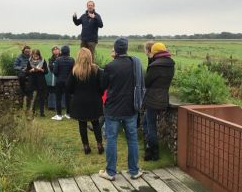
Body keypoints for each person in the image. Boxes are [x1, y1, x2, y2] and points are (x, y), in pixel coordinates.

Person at [99, 37, 144, 181]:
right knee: (132, 139)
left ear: (115, 49)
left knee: (111, 139)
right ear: (126, 48)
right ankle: (134, 171)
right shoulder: (134, 64)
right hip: (130, 108)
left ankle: (110, 173)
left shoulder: (110, 66)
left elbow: (103, 86)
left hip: (113, 109)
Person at [66, 48, 104, 154]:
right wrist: (98, 94)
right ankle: (99, 145)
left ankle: (86, 147)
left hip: (79, 101)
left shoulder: (75, 71)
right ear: (90, 56)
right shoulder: (96, 69)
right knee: (96, 123)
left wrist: (76, 93)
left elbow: (68, 87)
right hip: (94, 100)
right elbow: (102, 86)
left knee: (82, 124)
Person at [143, 42, 175, 161]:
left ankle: (154, 153)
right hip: (163, 97)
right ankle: (148, 148)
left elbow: (147, 82)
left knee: (151, 126)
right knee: (147, 122)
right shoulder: (171, 64)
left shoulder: (154, 66)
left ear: (155, 52)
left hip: (152, 99)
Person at [52, 45, 74, 120]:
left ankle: (59, 115)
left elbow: (55, 71)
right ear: (69, 51)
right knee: (69, 98)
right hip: (69, 81)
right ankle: (68, 114)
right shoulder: (72, 60)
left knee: (58, 98)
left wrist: (59, 76)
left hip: (59, 81)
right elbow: (73, 71)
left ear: (61, 51)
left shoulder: (58, 60)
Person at [26, 49, 48, 117]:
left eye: (37, 56)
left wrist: (40, 69)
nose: (35, 57)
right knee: (32, 97)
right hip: (32, 81)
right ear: (32, 55)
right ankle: (33, 112)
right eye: (34, 56)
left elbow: (46, 71)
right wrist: (31, 70)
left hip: (41, 81)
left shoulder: (43, 61)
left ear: (39, 55)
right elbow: (26, 72)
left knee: (42, 97)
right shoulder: (29, 61)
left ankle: (42, 113)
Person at [14, 45, 33, 110]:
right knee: (21, 77)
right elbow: (15, 66)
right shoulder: (19, 57)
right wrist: (22, 68)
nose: (27, 52)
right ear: (23, 51)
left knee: (32, 79)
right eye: (26, 51)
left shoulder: (32, 57)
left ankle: (28, 93)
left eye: (28, 51)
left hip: (30, 71)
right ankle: (24, 91)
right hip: (22, 71)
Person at [47, 46, 60, 110]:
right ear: (52, 51)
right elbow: (51, 67)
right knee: (51, 91)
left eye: (57, 49)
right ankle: (51, 106)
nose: (55, 50)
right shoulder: (50, 59)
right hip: (52, 77)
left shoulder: (62, 57)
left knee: (61, 91)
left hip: (60, 77)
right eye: (54, 50)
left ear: (59, 50)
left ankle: (62, 105)